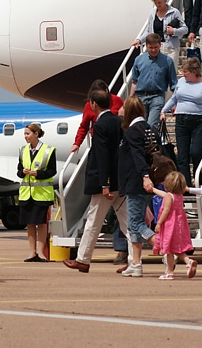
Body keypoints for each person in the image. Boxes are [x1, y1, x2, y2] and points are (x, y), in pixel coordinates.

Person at [63, 91, 128, 273]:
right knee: (127, 222)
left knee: (93, 222)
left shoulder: (100, 125)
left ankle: (83, 260)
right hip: (119, 181)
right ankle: (135, 258)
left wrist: (105, 183)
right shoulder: (118, 121)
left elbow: (102, 156)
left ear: (93, 104)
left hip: (105, 184)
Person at [160, 57, 202, 186]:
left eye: (186, 71)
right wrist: (163, 110)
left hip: (199, 120)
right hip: (181, 119)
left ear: (194, 71)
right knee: (182, 155)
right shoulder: (181, 82)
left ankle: (199, 178)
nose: (184, 74)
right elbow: (174, 99)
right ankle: (185, 185)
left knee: (196, 152)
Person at [118, 96, 157, 277]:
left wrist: (144, 176)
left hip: (136, 182)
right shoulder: (151, 129)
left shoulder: (133, 131)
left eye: (123, 108)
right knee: (135, 224)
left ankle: (162, 244)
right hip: (148, 181)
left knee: (135, 222)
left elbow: (137, 155)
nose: (121, 111)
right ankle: (136, 263)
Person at [18, 123, 56, 262]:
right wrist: (22, 172)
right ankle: (32, 252)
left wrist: (37, 173)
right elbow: (18, 171)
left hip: (42, 194)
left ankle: (40, 252)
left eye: (27, 134)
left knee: (41, 223)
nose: (25, 136)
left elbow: (52, 171)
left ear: (36, 133)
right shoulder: (22, 150)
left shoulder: (48, 150)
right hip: (26, 194)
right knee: (29, 223)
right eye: (25, 134)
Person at [152, 171, 198, 280]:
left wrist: (159, 223)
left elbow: (166, 210)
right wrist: (153, 190)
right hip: (179, 225)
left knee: (169, 250)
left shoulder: (169, 196)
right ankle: (188, 261)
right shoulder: (178, 196)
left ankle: (170, 272)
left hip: (169, 225)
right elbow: (164, 195)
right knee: (175, 248)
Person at [129, 33, 178, 129]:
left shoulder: (168, 61)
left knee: (152, 125)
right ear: (146, 46)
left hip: (157, 96)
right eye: (150, 47)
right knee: (140, 126)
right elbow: (135, 81)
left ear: (160, 45)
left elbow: (173, 83)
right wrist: (130, 99)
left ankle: (151, 143)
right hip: (141, 96)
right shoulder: (139, 60)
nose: (153, 50)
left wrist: (176, 102)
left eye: (156, 47)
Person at [131, 0, 188, 66]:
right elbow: (149, 31)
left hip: (171, 49)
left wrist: (174, 31)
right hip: (156, 48)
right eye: (155, 3)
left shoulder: (174, 12)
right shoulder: (152, 13)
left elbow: (185, 29)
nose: (157, 5)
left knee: (170, 73)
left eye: (159, 2)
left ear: (165, 1)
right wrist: (139, 40)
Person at [70, 79, 124, 155]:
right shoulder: (89, 105)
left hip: (116, 139)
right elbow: (84, 126)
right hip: (99, 140)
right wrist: (77, 143)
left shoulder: (117, 101)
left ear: (106, 91)